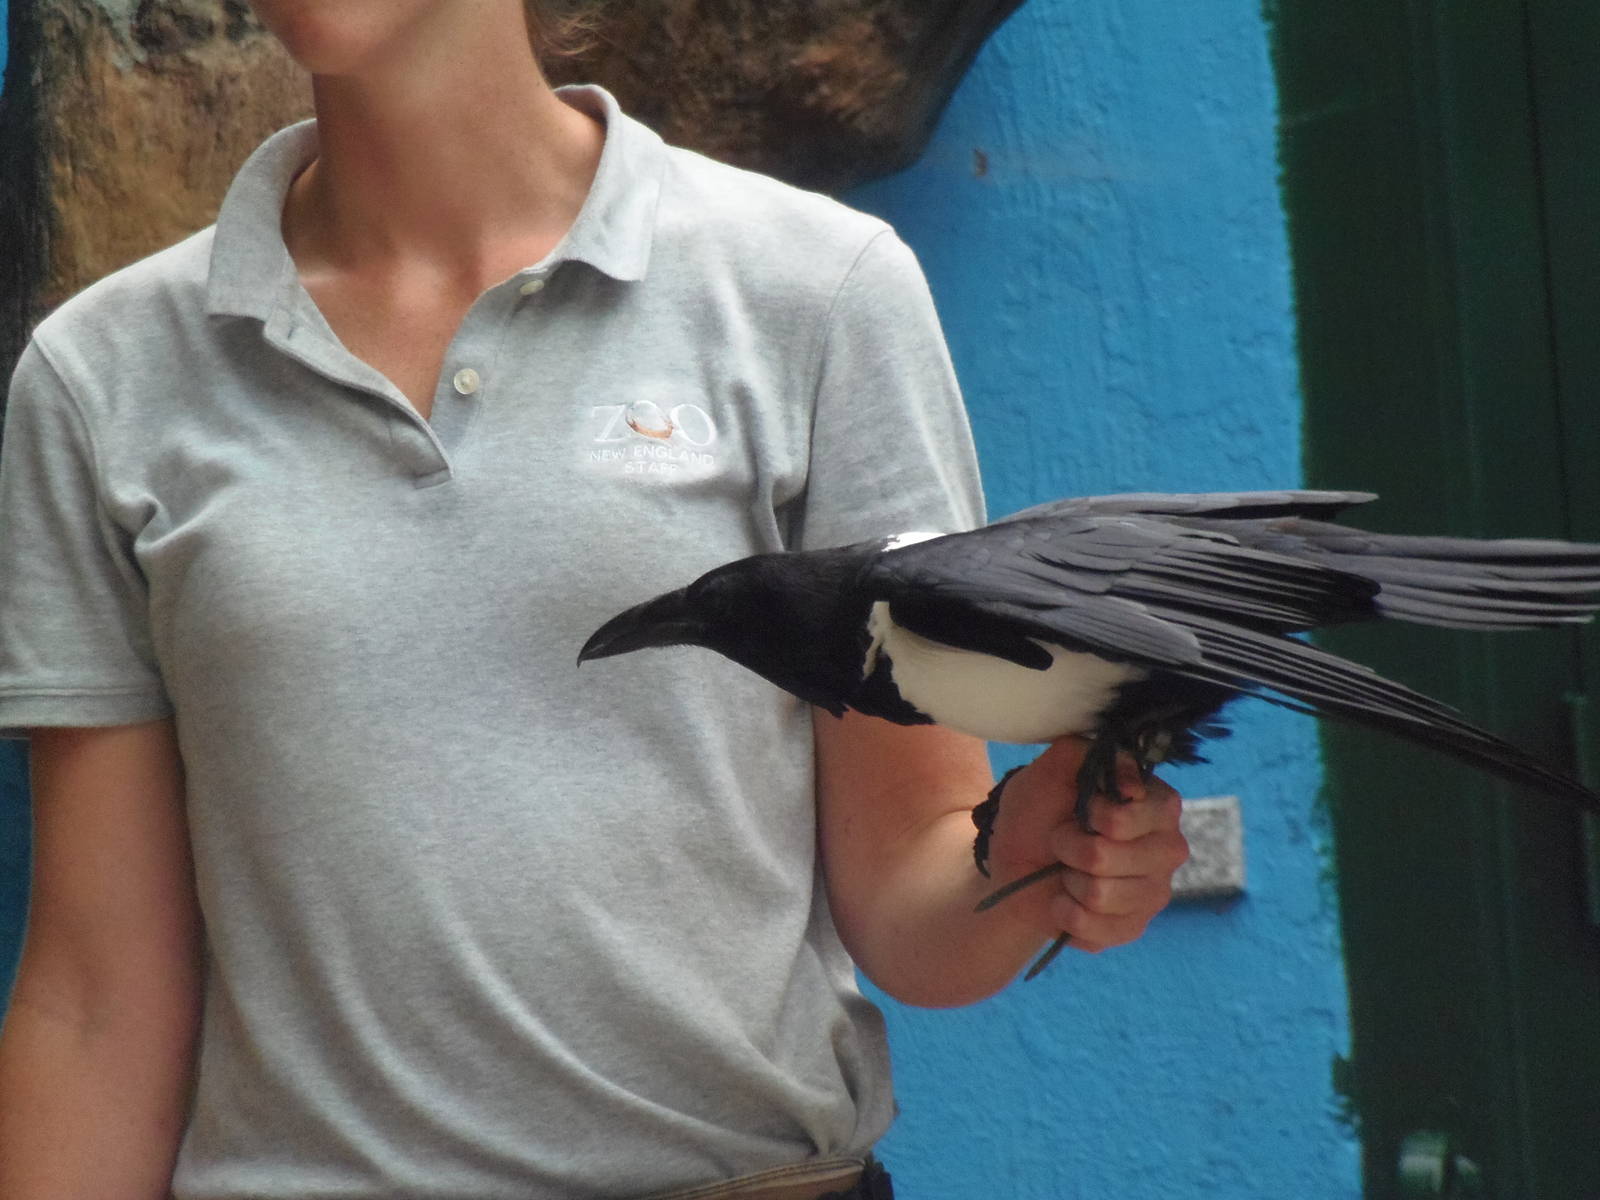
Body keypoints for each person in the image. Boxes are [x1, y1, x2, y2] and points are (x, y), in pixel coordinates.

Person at [0, 3, 1190, 1197]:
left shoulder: (814, 293)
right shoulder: (101, 379)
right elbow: (100, 998)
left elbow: (907, 887)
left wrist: (1034, 859)